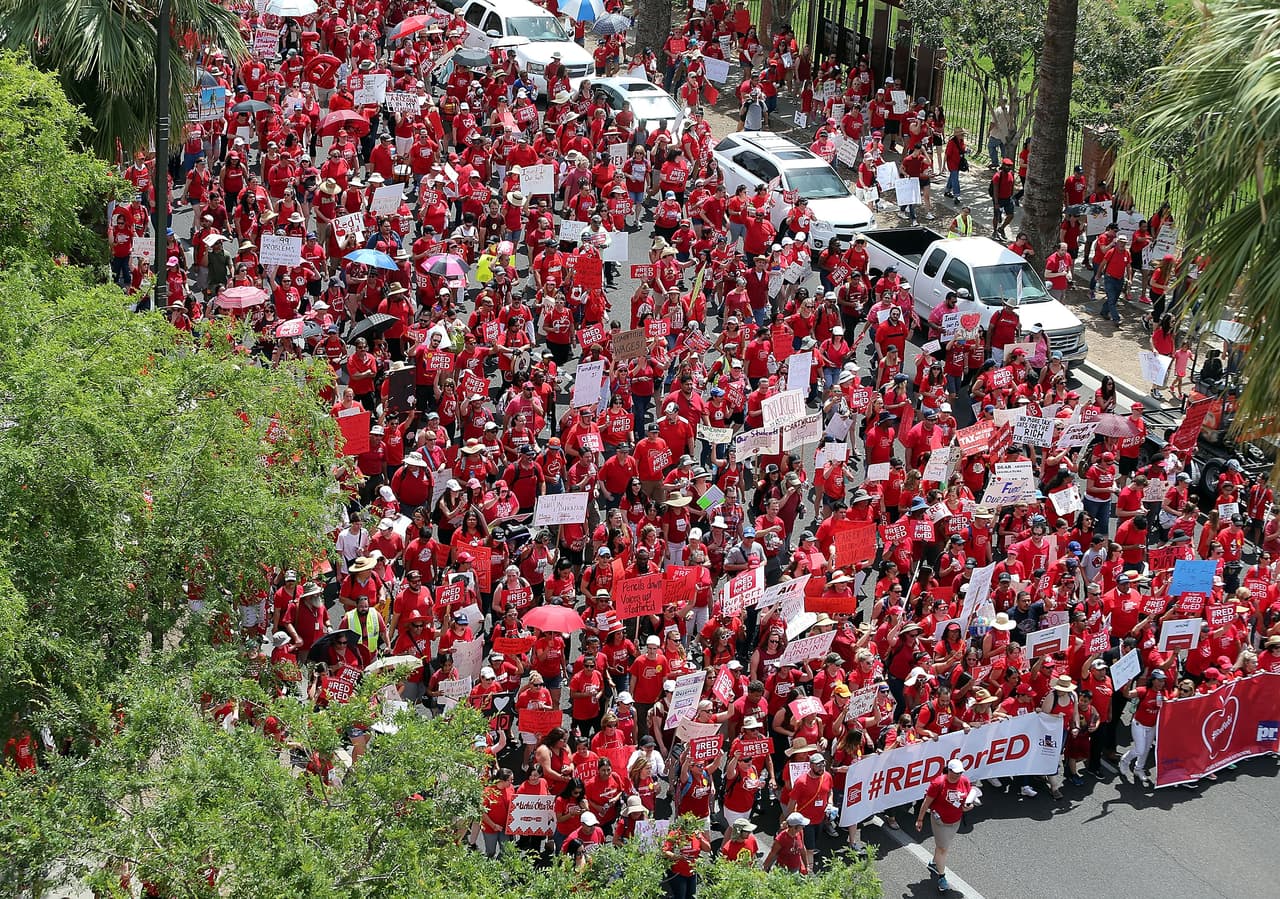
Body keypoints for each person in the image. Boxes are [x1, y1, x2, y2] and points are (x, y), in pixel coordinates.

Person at [915, 758, 975, 893]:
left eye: (960, 773)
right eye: (955, 772)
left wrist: (968, 806)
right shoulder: (938, 783)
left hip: (955, 821)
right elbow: (926, 802)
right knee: (943, 849)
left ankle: (935, 863)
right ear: (949, 770)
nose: (958, 775)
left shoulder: (964, 781)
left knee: (944, 847)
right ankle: (942, 877)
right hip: (940, 822)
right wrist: (920, 819)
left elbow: (967, 797)